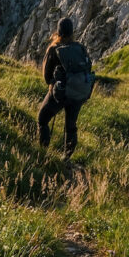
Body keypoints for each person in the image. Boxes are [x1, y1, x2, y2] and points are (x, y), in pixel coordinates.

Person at [38, 17, 90, 159]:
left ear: (58, 32)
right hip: (78, 93)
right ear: (72, 32)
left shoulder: (54, 49)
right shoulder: (80, 48)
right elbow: (87, 69)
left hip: (59, 93)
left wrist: (55, 82)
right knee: (70, 125)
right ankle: (67, 157)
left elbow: (47, 77)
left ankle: (43, 152)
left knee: (42, 119)